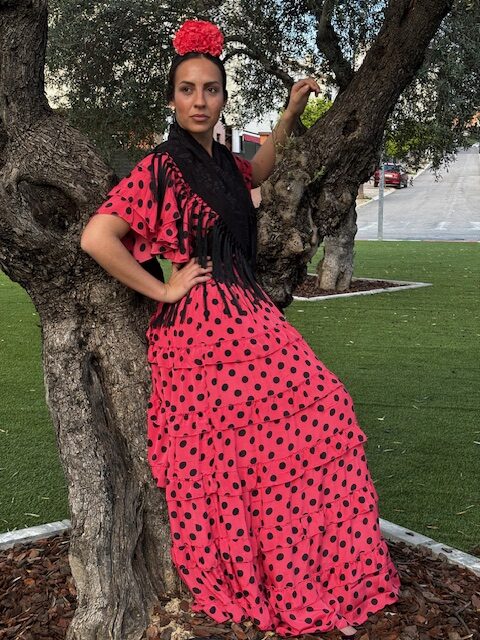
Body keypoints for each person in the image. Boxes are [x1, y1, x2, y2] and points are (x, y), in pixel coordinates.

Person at [80, 19, 401, 639]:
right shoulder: (160, 167)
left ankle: (301, 569)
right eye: (187, 90)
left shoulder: (226, 165)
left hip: (247, 311)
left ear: (224, 97)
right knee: (233, 458)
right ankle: (256, 575)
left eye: (210, 90)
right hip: (199, 329)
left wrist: (290, 114)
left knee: (321, 414)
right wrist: (163, 288)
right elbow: (98, 236)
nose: (199, 101)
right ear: (172, 99)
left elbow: (258, 172)